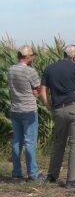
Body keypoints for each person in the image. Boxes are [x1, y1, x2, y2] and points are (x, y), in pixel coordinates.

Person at [39, 45, 75, 189]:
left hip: (59, 110)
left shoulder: (49, 68)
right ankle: (71, 180)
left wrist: (49, 107)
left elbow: (42, 92)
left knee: (59, 142)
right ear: (74, 57)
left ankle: (52, 175)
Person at [7, 45, 45, 182]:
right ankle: (33, 174)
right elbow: (38, 89)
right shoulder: (30, 71)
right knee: (29, 142)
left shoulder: (10, 70)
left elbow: (13, 87)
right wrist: (35, 92)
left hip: (15, 109)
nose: (32, 58)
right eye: (32, 56)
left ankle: (16, 174)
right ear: (27, 56)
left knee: (17, 141)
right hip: (28, 110)